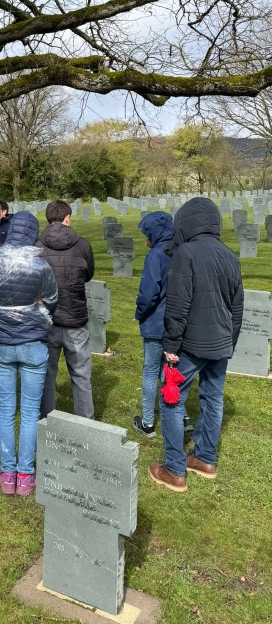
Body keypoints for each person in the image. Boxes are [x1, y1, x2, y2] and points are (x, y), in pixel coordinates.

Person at [150, 198, 243, 493]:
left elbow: (178, 304)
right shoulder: (230, 255)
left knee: (171, 401)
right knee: (213, 399)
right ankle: (204, 459)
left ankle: (175, 469)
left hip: (189, 345)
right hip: (220, 343)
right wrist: (231, 340)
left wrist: (170, 344)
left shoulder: (185, 252)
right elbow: (237, 307)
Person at [0, 211, 58, 496]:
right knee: (29, 412)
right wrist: (37, 309)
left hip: (2, 340)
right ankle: (25, 476)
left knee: (6, 409)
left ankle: (8, 472)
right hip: (33, 342)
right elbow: (51, 301)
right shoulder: (40, 267)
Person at [133, 211, 192, 438]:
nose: (145, 239)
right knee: (171, 370)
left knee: (150, 371)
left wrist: (140, 313)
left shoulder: (156, 255)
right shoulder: (183, 251)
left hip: (156, 323)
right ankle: (182, 417)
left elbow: (149, 294)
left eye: (146, 233)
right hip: (178, 323)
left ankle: (147, 422)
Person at [37, 200, 95, 420]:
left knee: (47, 373)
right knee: (80, 375)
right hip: (70, 320)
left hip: (48, 318)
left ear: (48, 219)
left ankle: (46, 420)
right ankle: (85, 423)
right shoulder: (83, 246)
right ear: (67, 218)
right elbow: (87, 275)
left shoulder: (36, 246)